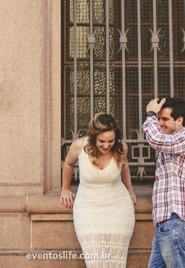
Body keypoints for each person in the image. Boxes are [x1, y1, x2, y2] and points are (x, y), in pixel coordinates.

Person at [60, 113, 136, 267]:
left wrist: (130, 190)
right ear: (93, 137)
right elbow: (68, 164)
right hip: (88, 208)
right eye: (102, 141)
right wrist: (65, 189)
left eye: (111, 141)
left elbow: (124, 166)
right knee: (94, 261)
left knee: (116, 261)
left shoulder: (121, 147)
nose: (106, 145)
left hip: (118, 208)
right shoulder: (79, 146)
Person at [143, 97, 185, 268]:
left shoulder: (184, 140)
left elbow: (155, 140)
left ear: (179, 120)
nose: (160, 123)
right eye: (159, 118)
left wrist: (150, 114)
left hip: (177, 222)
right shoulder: (172, 141)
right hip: (167, 224)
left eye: (165, 119)